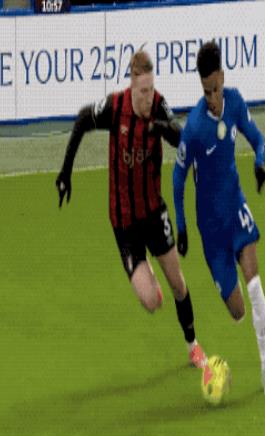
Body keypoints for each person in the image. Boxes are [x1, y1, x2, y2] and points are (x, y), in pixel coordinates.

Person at [55, 50, 207, 368]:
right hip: (123, 222)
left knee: (178, 283)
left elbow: (182, 138)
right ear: (132, 85)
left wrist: (163, 128)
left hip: (153, 213)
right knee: (151, 301)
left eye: (151, 89)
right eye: (143, 91)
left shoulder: (159, 107)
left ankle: (193, 345)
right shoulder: (115, 107)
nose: (148, 97)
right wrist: (66, 172)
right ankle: (147, 274)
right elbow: (82, 119)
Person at [173, 41, 265, 395]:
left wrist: (260, 163)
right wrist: (182, 227)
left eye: (215, 89)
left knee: (255, 286)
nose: (212, 98)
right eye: (206, 92)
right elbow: (177, 177)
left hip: (235, 209)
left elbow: (258, 138)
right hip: (211, 232)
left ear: (222, 77)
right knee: (238, 312)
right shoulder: (194, 127)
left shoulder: (234, 102)